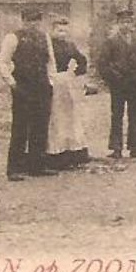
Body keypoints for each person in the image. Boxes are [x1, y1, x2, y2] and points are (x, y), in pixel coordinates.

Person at [0, 6, 57, 180]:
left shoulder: (44, 37)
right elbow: (2, 62)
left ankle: (37, 165)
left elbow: (50, 62)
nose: (33, 24)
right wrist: (12, 82)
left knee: (41, 126)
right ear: (23, 21)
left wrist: (51, 81)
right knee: (21, 127)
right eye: (30, 21)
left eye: (37, 21)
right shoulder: (13, 38)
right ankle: (14, 168)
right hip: (23, 87)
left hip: (42, 86)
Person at [96, 7, 136, 158]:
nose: (126, 25)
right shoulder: (111, 41)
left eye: (128, 22)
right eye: (123, 22)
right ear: (118, 23)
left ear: (132, 23)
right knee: (117, 115)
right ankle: (116, 148)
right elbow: (103, 63)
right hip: (118, 84)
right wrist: (113, 78)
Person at [46, 16, 91, 168]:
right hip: (50, 82)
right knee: (54, 117)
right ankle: (54, 153)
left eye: (65, 30)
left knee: (69, 116)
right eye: (59, 30)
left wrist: (74, 74)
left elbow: (82, 61)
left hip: (64, 82)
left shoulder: (69, 46)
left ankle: (72, 151)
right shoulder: (47, 45)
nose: (62, 33)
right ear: (52, 30)